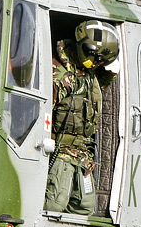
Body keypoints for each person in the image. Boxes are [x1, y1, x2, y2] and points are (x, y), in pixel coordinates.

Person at [45, 20, 119, 214]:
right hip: (61, 153)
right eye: (95, 59)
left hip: (83, 157)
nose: (96, 64)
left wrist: (111, 69)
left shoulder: (88, 75)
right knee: (54, 204)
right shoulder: (61, 75)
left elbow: (100, 83)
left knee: (83, 206)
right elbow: (39, 111)